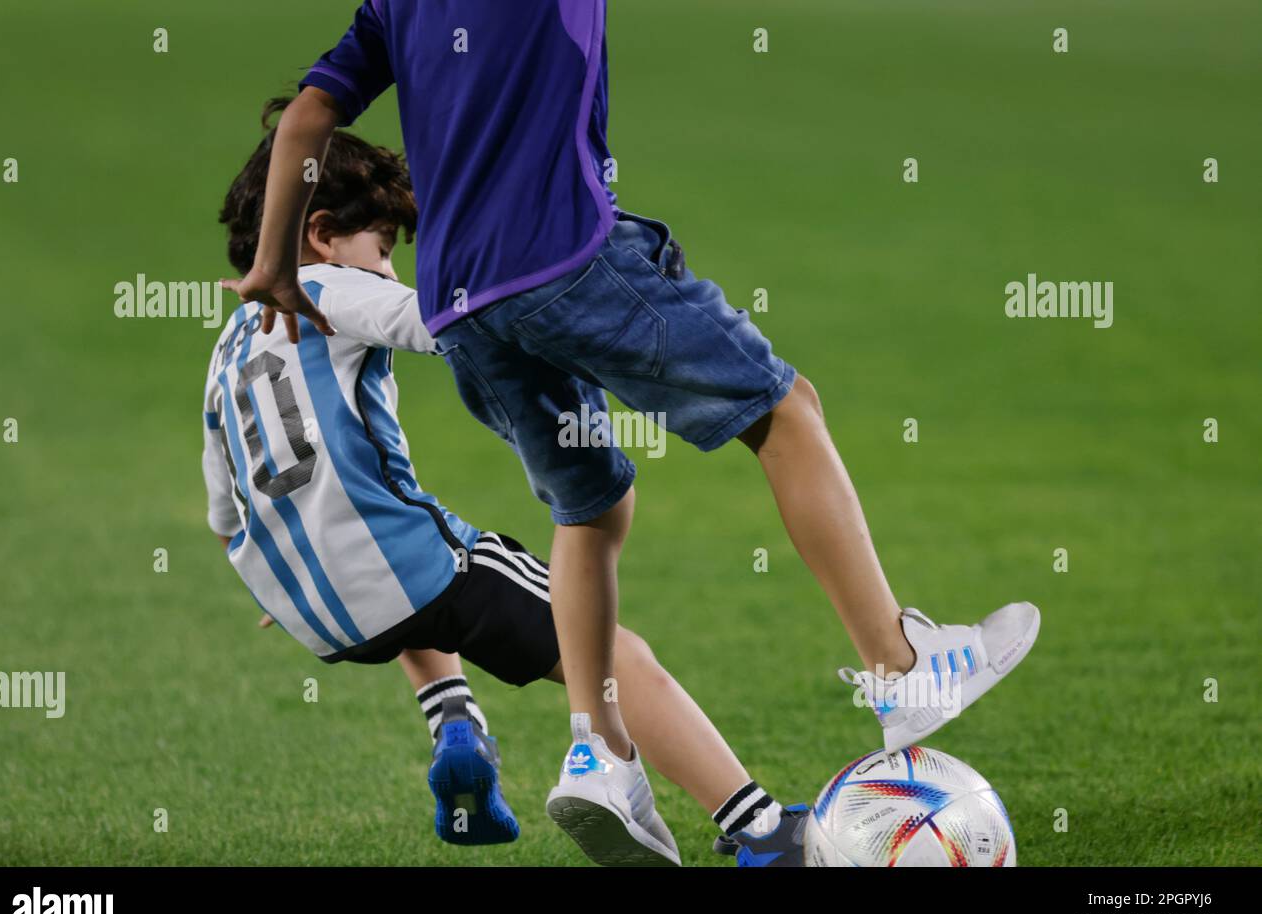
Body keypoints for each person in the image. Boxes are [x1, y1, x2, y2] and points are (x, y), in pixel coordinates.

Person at [223, 2, 1039, 864]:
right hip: (567, 259)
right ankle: (900, 661)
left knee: (589, 505)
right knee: (783, 410)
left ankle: (601, 749)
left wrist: (271, 261)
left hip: (465, 308)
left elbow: (310, 113)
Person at [205, 103, 805, 866]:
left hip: (311, 606)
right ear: (319, 233)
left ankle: (454, 717)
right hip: (404, 569)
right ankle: (758, 828)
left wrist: (283, 574)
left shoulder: (226, 349)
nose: (392, 266)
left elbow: (225, 506)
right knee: (606, 648)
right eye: (384, 248)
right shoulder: (323, 287)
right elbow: (434, 321)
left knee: (407, 566)